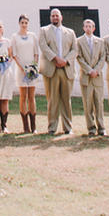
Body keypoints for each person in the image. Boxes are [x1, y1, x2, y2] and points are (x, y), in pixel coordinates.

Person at [38, 7, 78, 135]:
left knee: (66, 100)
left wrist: (65, 61)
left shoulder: (70, 32)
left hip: (66, 69)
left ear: (61, 17)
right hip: (52, 68)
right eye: (52, 16)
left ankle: (68, 128)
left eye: (57, 15)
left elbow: (75, 50)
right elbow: (43, 46)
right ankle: (52, 127)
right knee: (52, 100)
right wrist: (56, 58)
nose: (55, 17)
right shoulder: (44, 31)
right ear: (50, 18)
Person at [76, 18, 106, 137]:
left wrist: (96, 70)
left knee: (99, 102)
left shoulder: (100, 41)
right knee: (88, 104)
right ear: (83, 28)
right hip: (86, 76)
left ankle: (101, 127)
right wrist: (89, 70)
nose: (88, 28)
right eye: (86, 26)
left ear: (94, 28)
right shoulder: (79, 41)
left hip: (97, 77)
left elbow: (102, 57)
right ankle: (91, 128)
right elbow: (79, 58)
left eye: (90, 26)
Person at [11, 14, 40, 133]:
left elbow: (36, 53)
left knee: (31, 97)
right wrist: (22, 68)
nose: (24, 25)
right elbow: (14, 54)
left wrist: (33, 66)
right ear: (19, 24)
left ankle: (34, 126)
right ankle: (25, 126)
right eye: (22, 23)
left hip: (31, 69)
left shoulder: (33, 36)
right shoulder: (15, 36)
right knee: (23, 97)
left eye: (26, 23)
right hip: (21, 69)